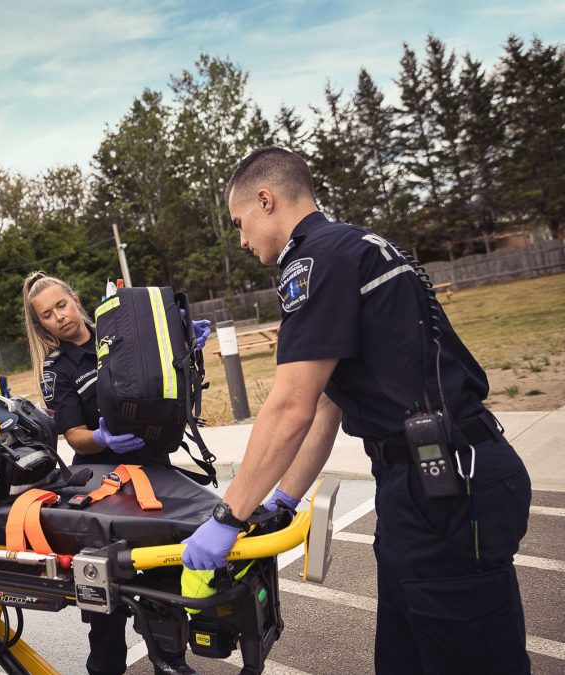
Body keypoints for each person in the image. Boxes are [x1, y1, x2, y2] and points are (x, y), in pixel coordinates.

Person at [181, 147, 531, 674]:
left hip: (446, 487)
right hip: (422, 484)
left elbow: (289, 407)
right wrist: (281, 498)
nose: (242, 239)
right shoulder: (354, 244)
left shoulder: (314, 260)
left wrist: (228, 515)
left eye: (240, 223)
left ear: (265, 199)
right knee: (404, 659)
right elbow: (326, 401)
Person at [23, 271, 207, 675]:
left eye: (61, 305)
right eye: (47, 315)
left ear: (76, 299)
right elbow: (74, 436)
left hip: (151, 470)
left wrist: (187, 346)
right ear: (41, 325)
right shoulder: (57, 370)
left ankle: (171, 662)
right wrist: (103, 438)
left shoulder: (121, 330)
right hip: (100, 483)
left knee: (165, 573)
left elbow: (164, 372)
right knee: (103, 590)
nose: (59, 317)